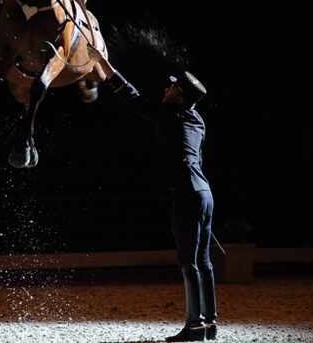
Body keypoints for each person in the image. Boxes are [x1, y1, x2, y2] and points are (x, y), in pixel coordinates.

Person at [87, 44, 217, 342]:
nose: (167, 88)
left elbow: (131, 95)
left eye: (172, 88)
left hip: (187, 193)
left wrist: (103, 64)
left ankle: (194, 326)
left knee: (188, 260)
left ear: (180, 97)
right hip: (204, 192)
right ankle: (209, 324)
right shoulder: (197, 120)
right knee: (204, 261)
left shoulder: (169, 114)